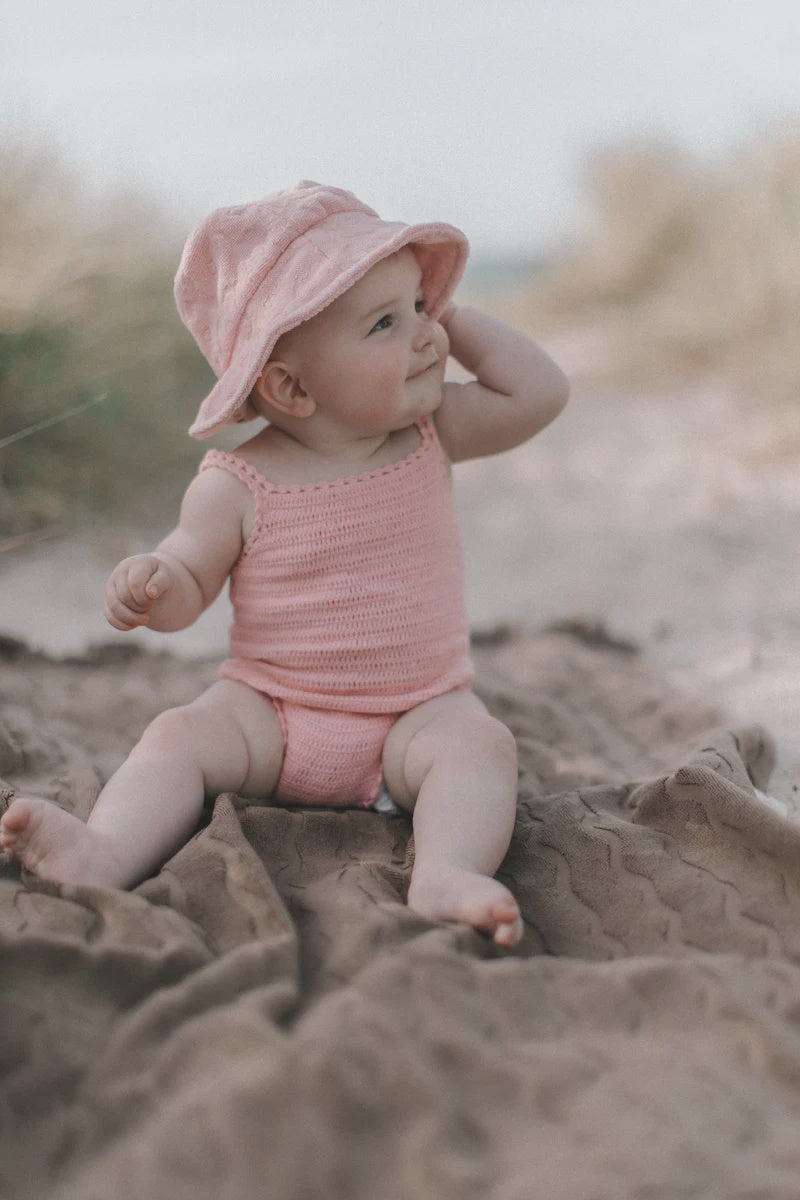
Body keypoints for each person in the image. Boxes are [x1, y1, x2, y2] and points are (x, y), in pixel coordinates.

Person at [0, 181, 568, 948]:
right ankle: (104, 851)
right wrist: (154, 587)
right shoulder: (236, 481)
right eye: (385, 324)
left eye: (421, 310)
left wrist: (448, 314)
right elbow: (190, 578)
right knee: (177, 735)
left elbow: (539, 391)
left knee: (481, 747)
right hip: (272, 713)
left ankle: (445, 869)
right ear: (290, 386)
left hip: (414, 714)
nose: (427, 338)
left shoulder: (433, 432)